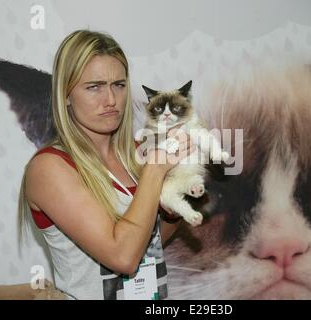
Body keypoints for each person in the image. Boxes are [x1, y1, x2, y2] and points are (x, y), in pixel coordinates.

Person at [18, 30, 195, 300]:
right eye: (94, 87)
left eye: (119, 85)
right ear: (65, 94)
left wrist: (175, 205)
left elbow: (151, 240)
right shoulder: (49, 169)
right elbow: (123, 256)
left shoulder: (137, 154)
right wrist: (156, 171)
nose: (111, 100)